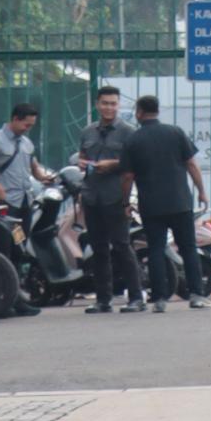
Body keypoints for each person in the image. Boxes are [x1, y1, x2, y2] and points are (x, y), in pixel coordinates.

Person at [122, 91, 208, 310]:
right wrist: (201, 191)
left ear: (139, 112)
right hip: (180, 202)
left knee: (156, 249)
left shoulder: (133, 139)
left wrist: (125, 202)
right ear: (157, 111)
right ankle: (197, 294)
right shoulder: (176, 133)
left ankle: (160, 299)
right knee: (188, 248)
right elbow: (191, 164)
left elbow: (128, 176)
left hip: (151, 205)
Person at [76, 84, 140, 316]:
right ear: (97, 104)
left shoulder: (129, 132)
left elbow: (135, 165)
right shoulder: (87, 131)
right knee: (99, 250)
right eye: (104, 103)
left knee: (123, 247)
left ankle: (135, 297)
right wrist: (82, 163)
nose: (108, 108)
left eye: (113, 103)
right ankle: (103, 299)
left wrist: (112, 164)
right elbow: (82, 156)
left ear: (119, 105)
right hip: (92, 196)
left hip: (116, 196)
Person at [0, 100, 49, 209]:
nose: (28, 129)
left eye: (31, 126)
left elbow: (34, 167)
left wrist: (43, 177)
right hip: (5, 201)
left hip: (25, 200)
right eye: (26, 125)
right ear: (15, 119)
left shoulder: (26, 142)